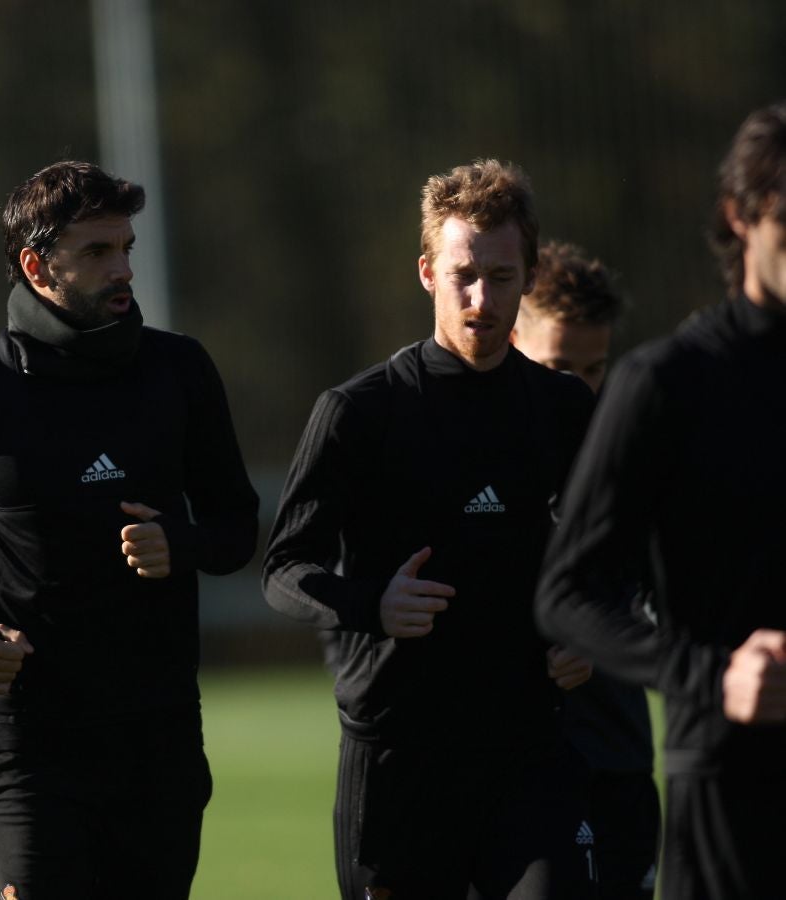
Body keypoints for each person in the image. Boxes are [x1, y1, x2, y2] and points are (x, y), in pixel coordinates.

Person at [0, 160, 258, 900]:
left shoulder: (180, 370)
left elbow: (238, 527)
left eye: (126, 248)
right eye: (96, 252)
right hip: (31, 741)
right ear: (36, 264)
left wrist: (181, 544)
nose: (122, 269)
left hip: (160, 733)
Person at [264, 159, 598, 898]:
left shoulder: (562, 410)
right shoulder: (359, 413)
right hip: (397, 763)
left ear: (529, 275)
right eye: (463, 276)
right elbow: (284, 570)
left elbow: (612, 553)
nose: (482, 300)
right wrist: (371, 605)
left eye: (503, 277)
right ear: (426, 273)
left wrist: (590, 634)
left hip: (527, 755)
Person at [536, 101, 786, 900]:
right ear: (740, 217)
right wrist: (713, 679)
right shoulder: (667, 385)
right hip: (732, 793)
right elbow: (567, 594)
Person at [511, 242, 660, 898]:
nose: (580, 387)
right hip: (513, 768)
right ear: (514, 339)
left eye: (595, 368)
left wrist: (604, 644)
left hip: (619, 759)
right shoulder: (472, 454)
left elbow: (666, 597)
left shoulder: (638, 459)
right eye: (558, 366)